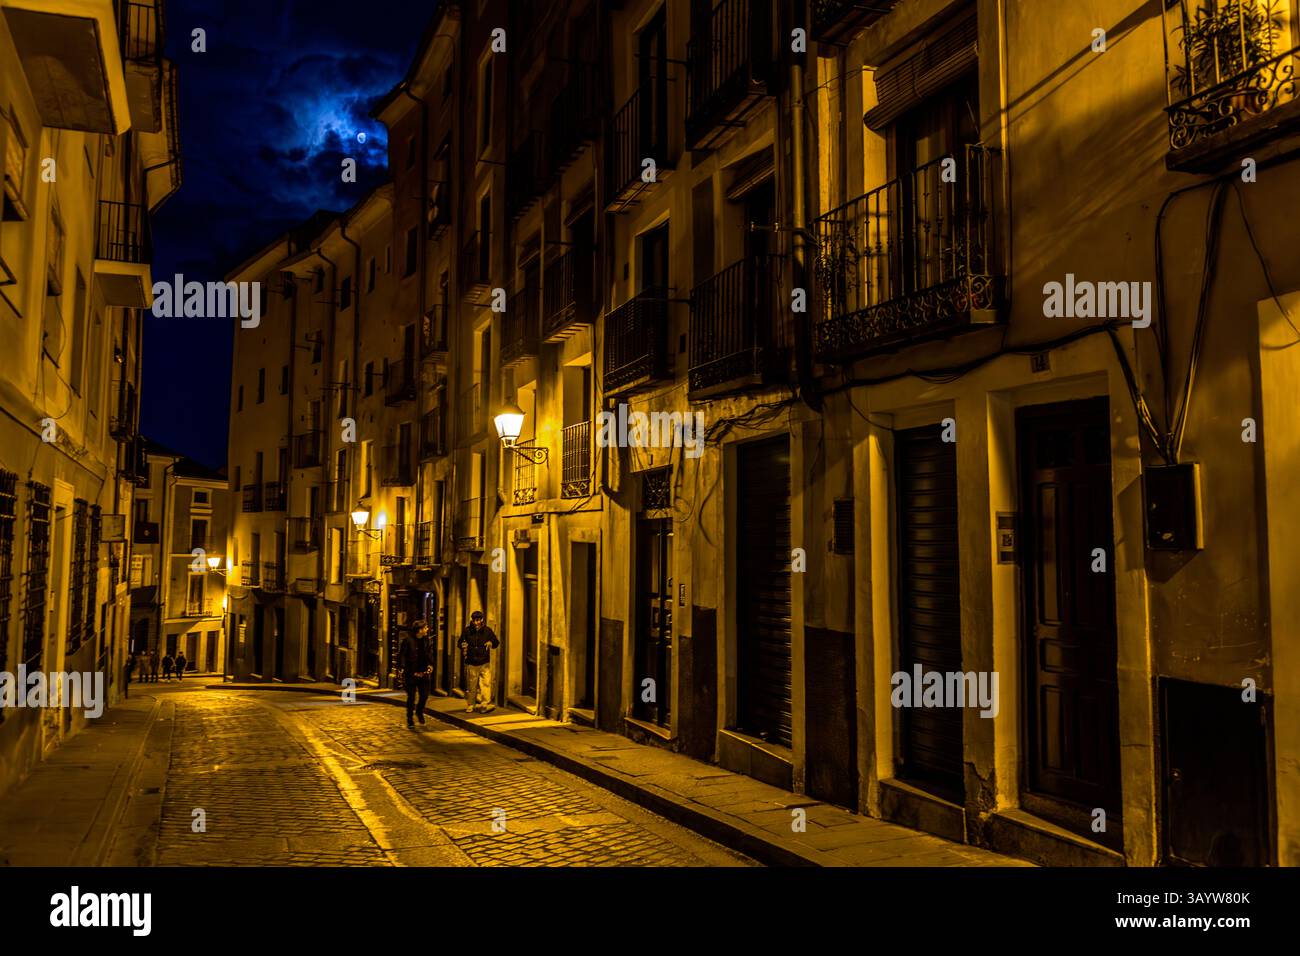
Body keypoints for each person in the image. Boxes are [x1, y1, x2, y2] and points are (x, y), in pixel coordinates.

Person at [458, 611, 499, 714]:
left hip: (484, 662)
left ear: (482, 620)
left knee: (485, 684)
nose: (476, 623)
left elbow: (496, 642)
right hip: (471, 662)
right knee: (472, 685)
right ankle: (470, 704)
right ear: (472, 620)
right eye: (475, 620)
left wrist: (491, 642)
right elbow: (460, 642)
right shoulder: (467, 631)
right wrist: (462, 645)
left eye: (478, 620)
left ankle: (484, 704)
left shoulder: (487, 631)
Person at [397, 621, 434, 728]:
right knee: (411, 697)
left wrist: (430, 665)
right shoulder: (408, 641)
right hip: (411, 673)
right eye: (426, 628)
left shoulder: (426, 641)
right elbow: (402, 655)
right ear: (420, 630)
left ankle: (419, 711)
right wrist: (402, 668)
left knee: (424, 695)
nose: (427, 629)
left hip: (423, 673)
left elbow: (429, 654)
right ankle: (409, 718)